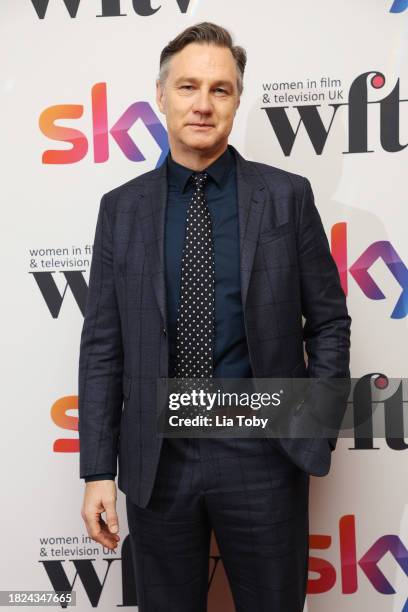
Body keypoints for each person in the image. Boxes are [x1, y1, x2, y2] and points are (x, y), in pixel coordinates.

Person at [78, 22, 351, 611]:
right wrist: (98, 470)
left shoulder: (285, 197)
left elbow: (328, 322)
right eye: (188, 87)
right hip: (159, 462)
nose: (203, 104)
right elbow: (103, 345)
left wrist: (312, 427)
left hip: (263, 453)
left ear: (237, 99)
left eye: (220, 90)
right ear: (161, 95)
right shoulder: (120, 210)